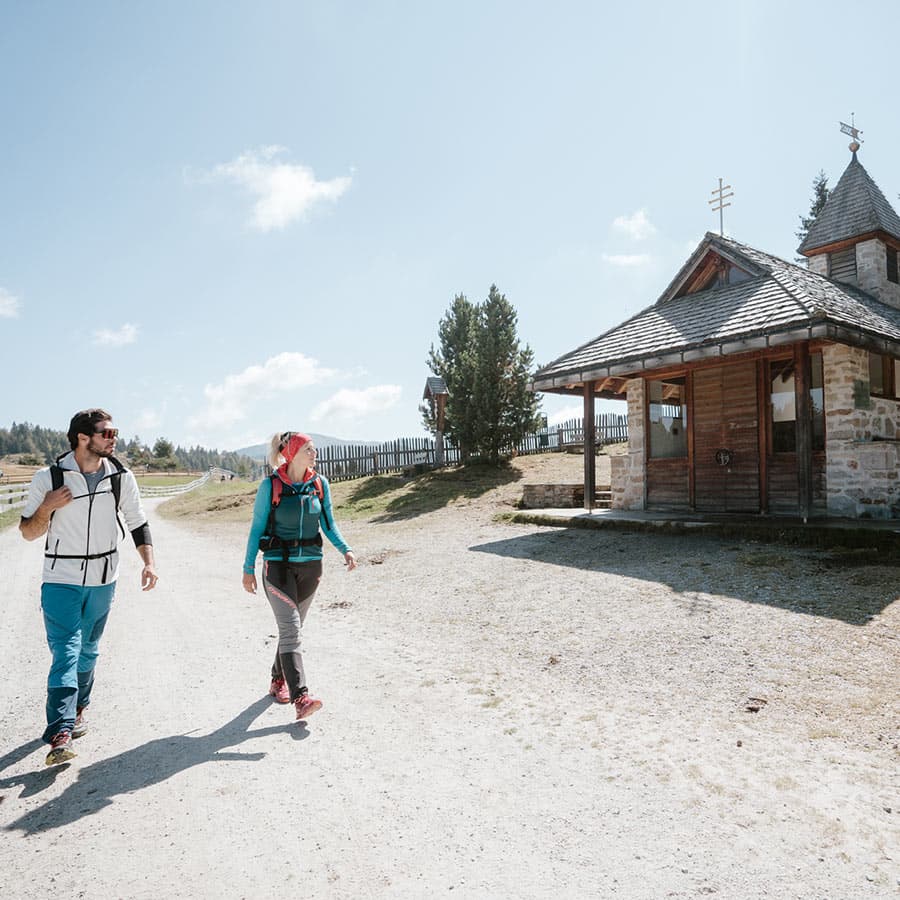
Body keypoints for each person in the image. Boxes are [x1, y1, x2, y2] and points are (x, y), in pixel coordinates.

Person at [19, 409, 158, 766]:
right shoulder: (48, 477)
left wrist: (149, 562)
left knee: (89, 650)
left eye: (114, 432)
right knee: (66, 650)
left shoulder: (120, 477)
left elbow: (138, 522)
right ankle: (60, 731)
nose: (114, 438)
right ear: (84, 438)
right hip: (60, 578)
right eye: (107, 433)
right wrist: (47, 508)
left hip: (103, 579)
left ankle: (79, 708)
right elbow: (28, 532)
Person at [242, 431, 356, 721]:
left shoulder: (320, 484)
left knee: (290, 630)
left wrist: (346, 549)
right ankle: (301, 698)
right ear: (292, 453)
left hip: (311, 568)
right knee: (291, 630)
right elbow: (256, 529)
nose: (314, 453)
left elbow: (329, 524)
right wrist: (247, 569)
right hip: (277, 567)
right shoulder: (271, 486)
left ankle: (277, 680)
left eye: (314, 449)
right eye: (308, 449)